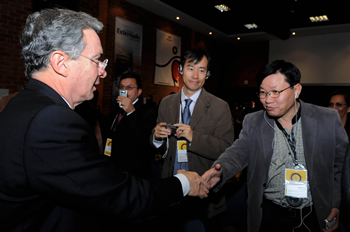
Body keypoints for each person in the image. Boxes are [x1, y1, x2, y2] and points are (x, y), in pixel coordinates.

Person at [0, 8, 210, 232]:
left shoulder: (18, 104)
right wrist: (184, 183)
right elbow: (120, 196)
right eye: (96, 60)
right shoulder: (51, 120)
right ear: (60, 63)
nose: (103, 72)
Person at [203, 60, 348, 232]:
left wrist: (336, 204)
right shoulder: (254, 121)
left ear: (296, 90)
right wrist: (221, 170)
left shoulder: (327, 119)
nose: (267, 100)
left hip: (314, 213)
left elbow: (341, 166)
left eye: (275, 92)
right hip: (269, 214)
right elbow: (239, 150)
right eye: (263, 93)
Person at [152, 48, 235, 231]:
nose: (195, 75)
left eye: (202, 70)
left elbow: (227, 148)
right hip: (172, 189)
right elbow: (160, 151)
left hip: (205, 193)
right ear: (180, 70)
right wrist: (157, 138)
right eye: (190, 68)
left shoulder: (219, 107)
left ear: (208, 74)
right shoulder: (166, 103)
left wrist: (193, 137)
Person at [107, 72, 157, 178]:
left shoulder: (148, 112)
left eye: (129, 87)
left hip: (135, 172)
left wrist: (131, 112)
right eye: (121, 87)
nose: (124, 91)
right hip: (114, 168)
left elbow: (145, 141)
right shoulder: (115, 109)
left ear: (139, 92)